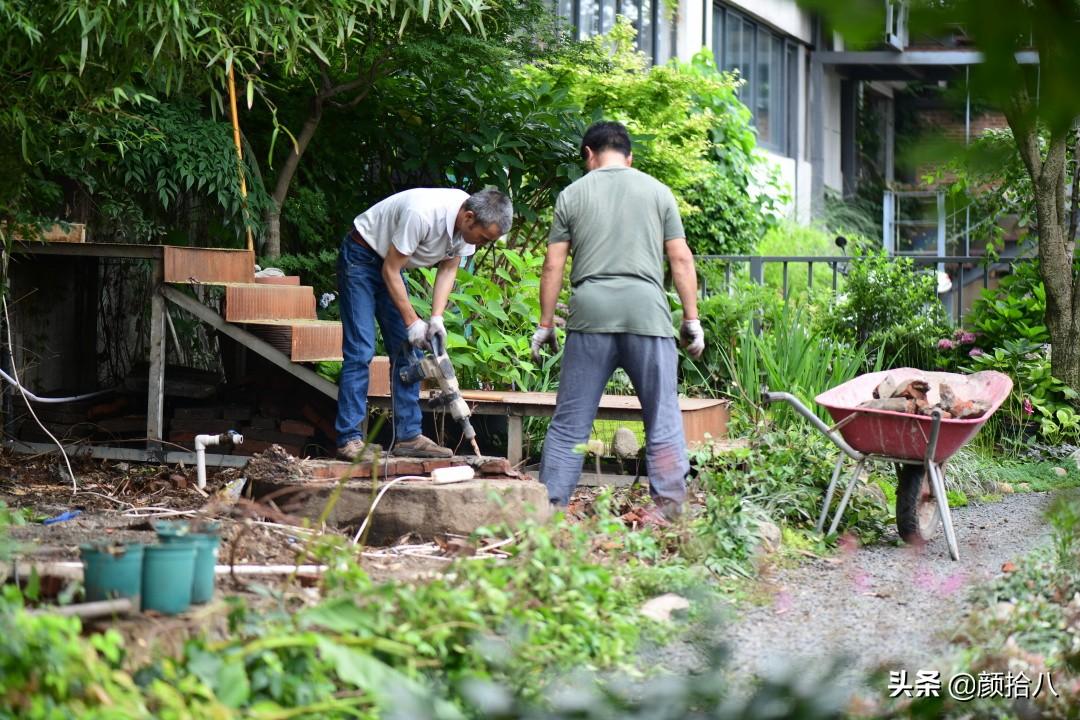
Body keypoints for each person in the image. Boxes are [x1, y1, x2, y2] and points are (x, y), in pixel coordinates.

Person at [530, 121, 705, 522]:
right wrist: (691, 319)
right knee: (661, 417)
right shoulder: (658, 192)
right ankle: (670, 514)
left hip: (591, 315)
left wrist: (545, 324)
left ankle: (550, 513)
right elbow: (681, 258)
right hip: (647, 314)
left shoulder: (571, 195)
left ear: (589, 154)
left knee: (571, 422)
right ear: (629, 156)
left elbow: (552, 264)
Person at [336, 187, 513, 461]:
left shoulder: (467, 227)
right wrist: (412, 322)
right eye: (484, 237)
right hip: (363, 256)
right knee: (361, 350)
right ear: (468, 218)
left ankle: (408, 437)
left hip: (392, 263)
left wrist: (436, 318)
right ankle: (349, 439)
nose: (483, 244)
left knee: (409, 352)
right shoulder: (423, 213)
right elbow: (390, 270)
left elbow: (449, 268)